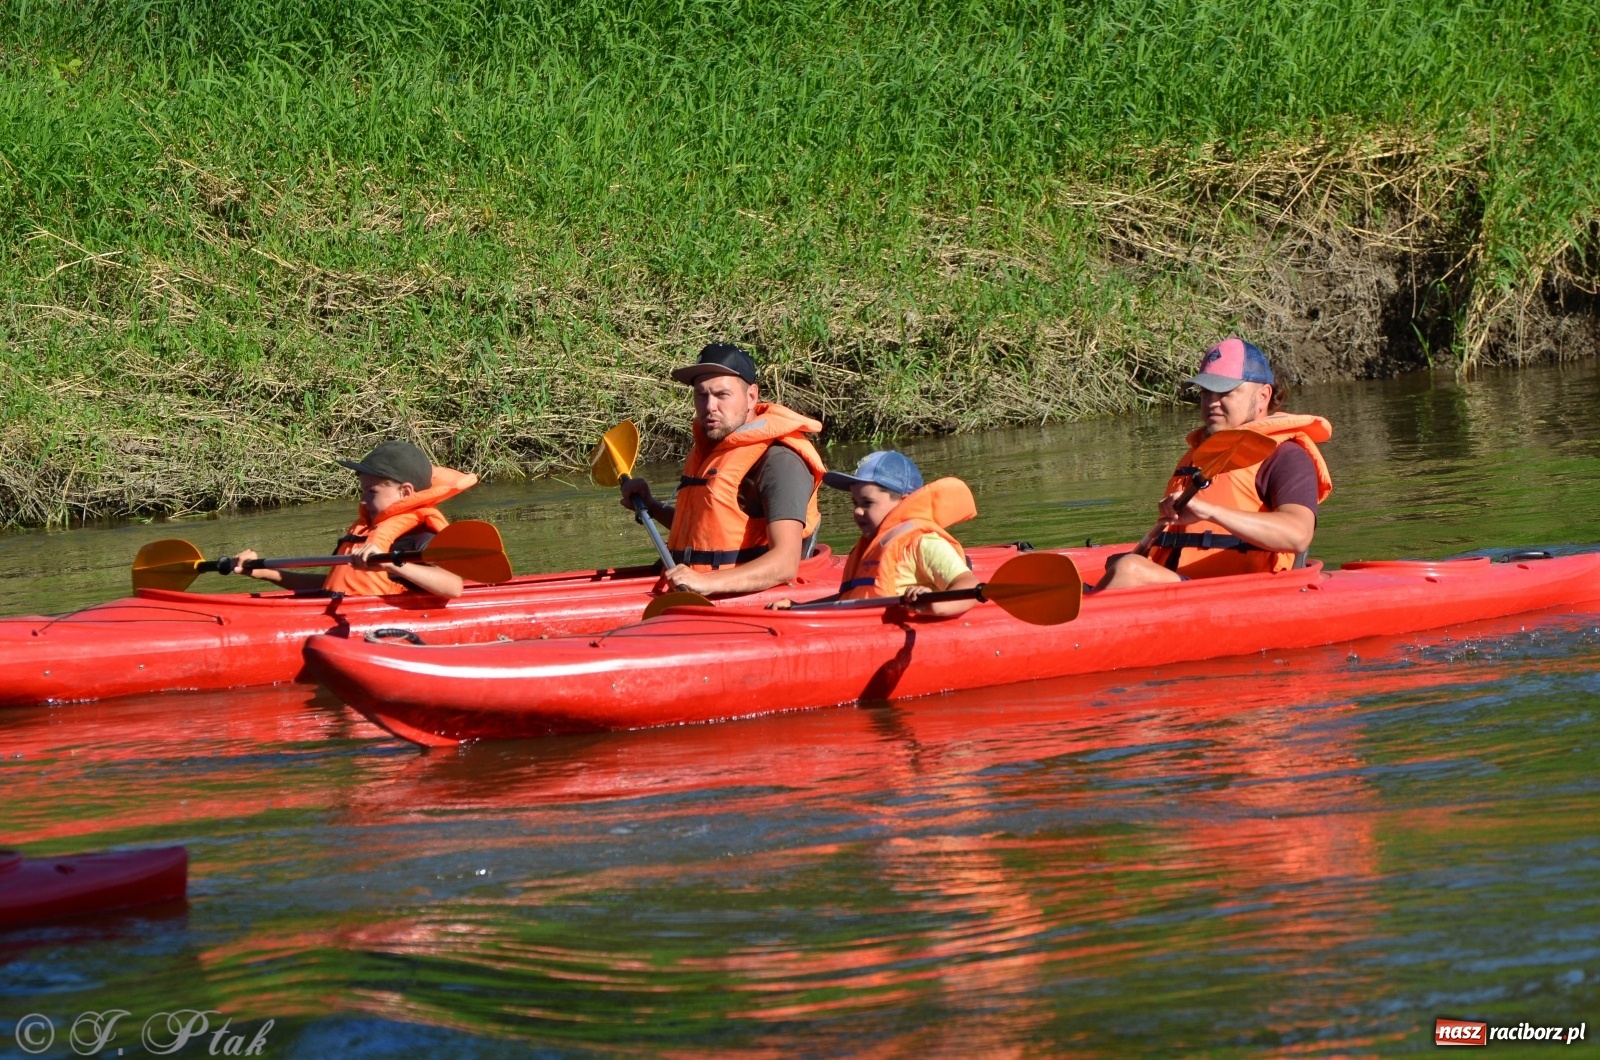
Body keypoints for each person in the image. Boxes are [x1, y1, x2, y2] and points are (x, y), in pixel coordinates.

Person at [1097, 338, 1332, 589]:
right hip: (1191, 588)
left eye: (1225, 392)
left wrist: (1210, 512)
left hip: (1247, 592)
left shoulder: (1285, 456)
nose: (1211, 402)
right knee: (1121, 565)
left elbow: (1297, 534)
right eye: (1206, 392)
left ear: (1263, 396)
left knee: (1130, 571)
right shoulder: (1202, 455)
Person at [620, 343, 827, 595]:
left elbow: (785, 563)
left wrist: (706, 582)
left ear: (751, 396)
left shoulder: (780, 462)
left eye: (722, 395)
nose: (709, 407)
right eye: (701, 395)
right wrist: (652, 507)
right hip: (687, 586)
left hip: (748, 599)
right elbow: (705, 534)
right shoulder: (715, 448)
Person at [226, 440, 475, 598]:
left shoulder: (421, 534)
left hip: (388, 621)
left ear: (406, 492)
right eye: (362, 490)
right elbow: (332, 586)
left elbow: (453, 586)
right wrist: (265, 572)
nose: (363, 500)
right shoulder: (365, 532)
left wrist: (390, 563)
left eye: (372, 491)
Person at [771, 451, 981, 616]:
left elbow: (969, 585)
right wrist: (801, 608)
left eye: (867, 503)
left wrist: (936, 604)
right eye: (855, 503)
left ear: (904, 501)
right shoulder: (870, 546)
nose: (857, 511)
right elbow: (850, 599)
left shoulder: (922, 543)